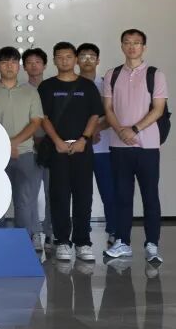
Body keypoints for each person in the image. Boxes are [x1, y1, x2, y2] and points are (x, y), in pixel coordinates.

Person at [103, 29, 168, 263]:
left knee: (150, 196)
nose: (132, 47)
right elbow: (108, 108)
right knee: (122, 196)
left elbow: (158, 109)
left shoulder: (155, 74)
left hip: (147, 146)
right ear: (122, 46)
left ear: (144, 47)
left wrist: (135, 129)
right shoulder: (112, 74)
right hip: (118, 145)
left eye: (137, 43)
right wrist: (121, 131)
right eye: (127, 43)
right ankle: (123, 242)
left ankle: (152, 244)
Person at [38, 42, 103, 262]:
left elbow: (94, 115)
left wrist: (84, 139)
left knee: (83, 195)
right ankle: (62, 241)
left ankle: (83, 242)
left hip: (82, 149)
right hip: (57, 149)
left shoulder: (87, 86)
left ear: (75, 59)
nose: (64, 60)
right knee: (59, 196)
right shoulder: (47, 87)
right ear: (54, 60)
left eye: (68, 56)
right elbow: (44, 117)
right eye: (60, 57)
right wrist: (57, 141)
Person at [0, 47, 45, 251]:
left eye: (13, 62)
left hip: (25, 153)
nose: (9, 66)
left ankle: (23, 246)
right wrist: (4, 146)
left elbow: (36, 122)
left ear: (19, 66)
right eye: (4, 62)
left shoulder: (30, 91)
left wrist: (13, 143)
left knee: (24, 202)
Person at [77, 42, 116, 246]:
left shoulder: (106, 84)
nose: (87, 60)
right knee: (82, 193)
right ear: (77, 60)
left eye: (91, 56)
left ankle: (114, 230)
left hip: (103, 149)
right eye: (83, 56)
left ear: (98, 60)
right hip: (78, 147)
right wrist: (85, 135)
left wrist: (95, 130)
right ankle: (82, 231)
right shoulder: (71, 83)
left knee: (109, 191)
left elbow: (113, 114)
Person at [23, 46, 52, 244]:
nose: (34, 66)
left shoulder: (53, 87)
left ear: (45, 65)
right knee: (29, 194)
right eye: (29, 62)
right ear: (24, 67)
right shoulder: (21, 90)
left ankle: (51, 232)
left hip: (51, 147)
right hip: (30, 147)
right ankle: (33, 232)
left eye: (38, 62)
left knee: (52, 192)